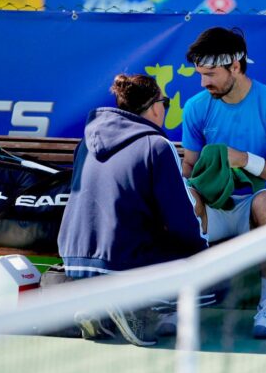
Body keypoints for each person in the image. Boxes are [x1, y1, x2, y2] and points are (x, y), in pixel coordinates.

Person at [57, 74, 208, 343]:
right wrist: (203, 249)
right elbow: (181, 222)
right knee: (216, 279)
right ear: (154, 108)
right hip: (121, 262)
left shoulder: (85, 143)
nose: (165, 108)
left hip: (75, 261)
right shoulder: (158, 146)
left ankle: (99, 307)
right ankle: (132, 305)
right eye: (165, 102)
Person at [182, 27, 266, 339]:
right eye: (200, 75)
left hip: (256, 207)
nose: (203, 83)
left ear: (235, 66)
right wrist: (188, 192)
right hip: (213, 208)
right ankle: (176, 303)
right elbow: (189, 167)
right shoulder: (196, 106)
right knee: (179, 200)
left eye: (210, 74)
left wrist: (245, 159)